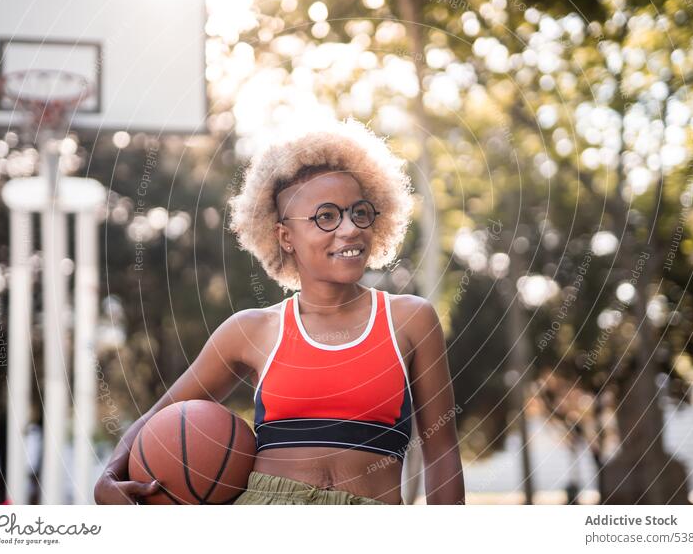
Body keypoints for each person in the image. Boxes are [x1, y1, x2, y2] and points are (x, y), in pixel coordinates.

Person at [94, 117, 465, 505]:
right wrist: (108, 476)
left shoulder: (410, 320)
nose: (350, 229)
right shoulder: (252, 330)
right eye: (326, 217)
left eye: (359, 212)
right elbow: (159, 416)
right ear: (285, 236)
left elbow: (441, 449)